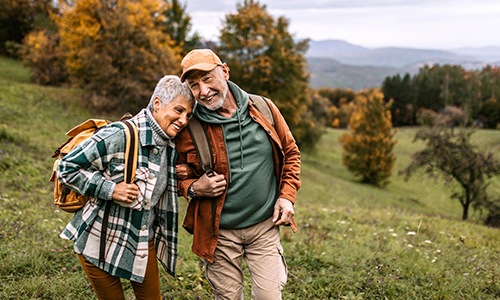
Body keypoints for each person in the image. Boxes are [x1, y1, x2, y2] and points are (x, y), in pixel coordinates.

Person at [175, 49, 301, 299]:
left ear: (225, 71)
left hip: (264, 226)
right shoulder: (189, 126)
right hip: (219, 234)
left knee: (268, 296)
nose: (203, 91)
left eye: (208, 78)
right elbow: (175, 174)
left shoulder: (263, 108)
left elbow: (291, 153)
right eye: (194, 85)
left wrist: (287, 197)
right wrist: (194, 188)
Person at [58, 75, 194, 300]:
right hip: (98, 242)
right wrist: (110, 189)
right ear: (157, 104)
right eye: (179, 110)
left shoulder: (170, 148)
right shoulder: (119, 134)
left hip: (140, 241)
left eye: (188, 115)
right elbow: (66, 167)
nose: (183, 120)